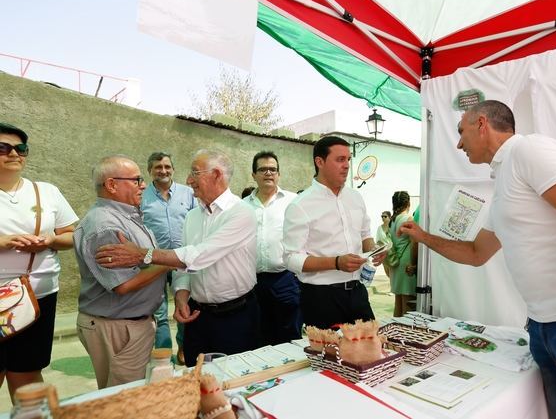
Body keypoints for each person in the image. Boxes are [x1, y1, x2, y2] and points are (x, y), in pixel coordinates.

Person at [398, 100, 556, 419]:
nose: (458, 143)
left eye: (461, 131)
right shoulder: (502, 184)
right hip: (548, 326)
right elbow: (476, 254)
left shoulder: (527, 150)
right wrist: (422, 236)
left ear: (482, 124)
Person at [95, 149, 260, 367]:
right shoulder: (193, 216)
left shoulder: (241, 212)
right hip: (198, 316)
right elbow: (184, 266)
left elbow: (199, 255)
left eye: (195, 173)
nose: (189, 180)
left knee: (236, 380)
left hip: (236, 316)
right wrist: (181, 296)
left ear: (217, 174)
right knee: (195, 377)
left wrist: (143, 254)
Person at [73, 155, 169, 389]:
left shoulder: (125, 216)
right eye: (136, 180)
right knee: (122, 399)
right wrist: (168, 261)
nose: (144, 185)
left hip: (126, 323)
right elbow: (124, 285)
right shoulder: (105, 225)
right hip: (118, 327)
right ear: (112, 185)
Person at [0, 123, 78, 402]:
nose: (14, 154)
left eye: (21, 149)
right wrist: (4, 241)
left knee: (28, 372)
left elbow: (72, 235)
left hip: (37, 297)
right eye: (3, 148)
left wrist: (50, 241)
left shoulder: (46, 191)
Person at [283, 136, 386, 330]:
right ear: (319, 162)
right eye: (340, 159)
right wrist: (336, 263)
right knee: (330, 357)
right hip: (321, 297)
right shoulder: (300, 205)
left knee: (372, 350)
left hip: (357, 292)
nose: (347, 165)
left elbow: (365, 235)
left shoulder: (355, 198)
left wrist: (374, 250)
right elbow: (291, 259)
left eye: (348, 159)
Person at [141, 152, 196, 365]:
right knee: (159, 311)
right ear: (150, 171)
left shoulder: (188, 193)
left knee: (184, 307)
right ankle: (163, 355)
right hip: (154, 261)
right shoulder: (142, 196)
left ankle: (184, 347)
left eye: (166, 166)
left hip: (183, 261)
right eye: (158, 167)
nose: (163, 171)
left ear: (173, 169)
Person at [243, 151, 301, 345]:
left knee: (289, 336)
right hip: (252, 283)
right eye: (262, 169)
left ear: (278, 174)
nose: (268, 173)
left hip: (286, 280)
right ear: (253, 175)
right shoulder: (242, 207)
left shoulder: (293, 201)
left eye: (273, 169)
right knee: (257, 335)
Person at [388, 191, 416, 317]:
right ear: (408, 203)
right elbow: (414, 242)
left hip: (395, 263)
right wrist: (414, 264)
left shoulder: (392, 221)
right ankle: (404, 335)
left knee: (398, 303)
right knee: (408, 306)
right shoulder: (408, 219)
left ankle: (394, 334)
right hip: (406, 263)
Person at [375, 211, 392, 276]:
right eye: (382, 216)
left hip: (392, 252)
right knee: (387, 273)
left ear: (389, 217)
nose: (383, 218)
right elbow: (378, 240)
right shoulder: (379, 228)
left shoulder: (392, 226)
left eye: (385, 216)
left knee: (393, 272)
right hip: (384, 252)